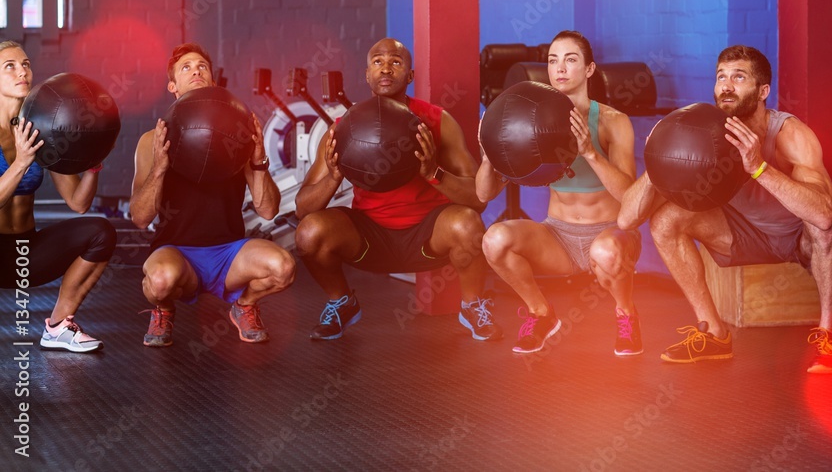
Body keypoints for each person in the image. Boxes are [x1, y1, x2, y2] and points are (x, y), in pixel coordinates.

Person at [619, 45, 832, 373]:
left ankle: (830, 337)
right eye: (721, 77)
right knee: (666, 219)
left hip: (799, 236)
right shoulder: (703, 133)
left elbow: (825, 214)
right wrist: (659, 158)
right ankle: (713, 333)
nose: (726, 86)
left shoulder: (789, 134)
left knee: (828, 227)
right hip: (743, 235)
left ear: (762, 91)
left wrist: (758, 168)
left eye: (738, 78)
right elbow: (626, 220)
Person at [294, 38, 500, 342]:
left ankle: (472, 305)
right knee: (310, 232)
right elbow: (302, 209)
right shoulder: (342, 128)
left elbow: (478, 199)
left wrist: (433, 173)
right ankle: (341, 302)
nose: (386, 67)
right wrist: (334, 178)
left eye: (396, 61)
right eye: (377, 61)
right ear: (366, 74)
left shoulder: (438, 121)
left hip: (427, 235)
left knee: (468, 223)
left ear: (410, 75)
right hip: (369, 240)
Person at [476, 31, 642, 356]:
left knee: (606, 252)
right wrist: (487, 156)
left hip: (610, 234)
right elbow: (484, 193)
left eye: (570, 59)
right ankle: (541, 313)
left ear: (589, 69)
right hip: (559, 236)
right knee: (494, 240)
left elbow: (630, 198)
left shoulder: (612, 122)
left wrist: (591, 153)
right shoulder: (531, 121)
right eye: (553, 60)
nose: (560, 68)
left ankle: (626, 313)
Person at [131, 43, 294, 347]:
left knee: (283, 268)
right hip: (177, 253)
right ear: (173, 86)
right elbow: (140, 218)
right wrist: (160, 169)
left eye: (202, 66)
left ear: (213, 82)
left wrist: (258, 159)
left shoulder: (238, 133)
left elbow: (268, 211)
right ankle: (163, 309)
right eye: (186, 68)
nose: (195, 70)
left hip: (229, 254)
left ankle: (244, 305)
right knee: (160, 281)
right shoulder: (152, 140)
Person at [0, 41, 116, 353]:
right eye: (9, 66)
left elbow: (77, 204)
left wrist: (94, 164)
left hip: (24, 254)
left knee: (100, 232)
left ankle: (58, 327)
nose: (22, 71)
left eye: (25, 64)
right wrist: (22, 161)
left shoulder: (39, 129)